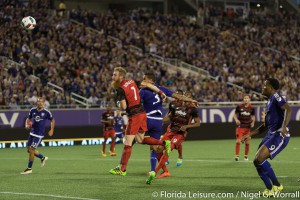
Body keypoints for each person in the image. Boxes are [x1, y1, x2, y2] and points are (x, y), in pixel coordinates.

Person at [109, 67, 171, 176]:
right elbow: (148, 85)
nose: (112, 77)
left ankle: (122, 169)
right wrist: (161, 92)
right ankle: (164, 142)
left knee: (127, 143)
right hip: (142, 114)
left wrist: (118, 104)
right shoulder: (132, 81)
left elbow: (124, 106)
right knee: (140, 139)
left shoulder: (120, 89)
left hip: (134, 116)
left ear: (121, 77)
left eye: (115, 75)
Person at [241, 78, 292, 197]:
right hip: (271, 134)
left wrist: (284, 127)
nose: (263, 87)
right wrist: (249, 134)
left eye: (265, 85)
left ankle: (277, 186)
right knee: (256, 161)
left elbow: (288, 110)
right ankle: (270, 189)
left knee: (259, 159)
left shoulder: (276, 97)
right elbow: (265, 126)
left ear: (271, 88)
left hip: (280, 135)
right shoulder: (269, 102)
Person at [140, 72, 197, 176]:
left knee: (137, 139)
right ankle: (157, 169)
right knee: (155, 148)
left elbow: (135, 102)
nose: (143, 80)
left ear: (150, 80)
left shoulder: (143, 91)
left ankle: (123, 166)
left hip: (153, 120)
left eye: (144, 79)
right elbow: (175, 102)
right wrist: (191, 99)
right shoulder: (167, 96)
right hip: (164, 125)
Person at [146, 93, 201, 184]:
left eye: (188, 97)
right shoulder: (176, 105)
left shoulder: (193, 109)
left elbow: (198, 123)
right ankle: (165, 171)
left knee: (168, 148)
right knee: (158, 149)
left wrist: (186, 126)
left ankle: (154, 172)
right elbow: (169, 116)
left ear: (191, 99)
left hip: (180, 134)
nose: (186, 98)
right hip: (171, 131)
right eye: (185, 96)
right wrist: (159, 121)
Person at [21, 97, 55, 174]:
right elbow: (28, 119)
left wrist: (52, 129)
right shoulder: (33, 110)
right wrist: (26, 125)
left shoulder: (46, 112)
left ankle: (29, 168)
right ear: (37, 102)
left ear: (44, 103)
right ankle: (43, 158)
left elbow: (52, 120)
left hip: (39, 134)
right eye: (38, 101)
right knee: (29, 150)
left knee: (32, 150)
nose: (40, 103)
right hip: (32, 132)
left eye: (41, 102)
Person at [164, 90, 184, 167]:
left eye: (178, 95)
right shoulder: (172, 104)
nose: (176, 96)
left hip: (180, 127)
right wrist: (163, 121)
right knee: (166, 142)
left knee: (176, 143)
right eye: (176, 94)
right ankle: (166, 158)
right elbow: (169, 113)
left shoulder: (184, 105)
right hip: (172, 126)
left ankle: (180, 156)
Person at [233, 94, 255, 161]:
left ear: (249, 100)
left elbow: (253, 116)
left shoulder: (252, 107)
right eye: (245, 98)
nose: (246, 99)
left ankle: (246, 156)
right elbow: (234, 114)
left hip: (247, 127)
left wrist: (253, 122)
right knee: (238, 141)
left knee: (247, 142)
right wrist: (236, 120)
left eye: (247, 98)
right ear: (243, 99)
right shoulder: (239, 106)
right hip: (240, 127)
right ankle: (237, 156)